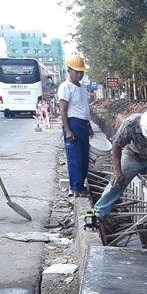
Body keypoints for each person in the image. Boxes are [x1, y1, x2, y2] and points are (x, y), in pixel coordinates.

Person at [58, 54, 93, 197]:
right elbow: (63, 110)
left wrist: (89, 125)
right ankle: (76, 188)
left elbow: (84, 108)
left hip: (83, 125)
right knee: (75, 158)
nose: (79, 74)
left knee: (84, 158)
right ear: (69, 70)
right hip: (73, 124)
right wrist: (67, 130)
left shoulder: (82, 87)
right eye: (76, 71)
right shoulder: (66, 87)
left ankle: (81, 185)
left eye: (81, 72)